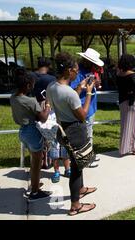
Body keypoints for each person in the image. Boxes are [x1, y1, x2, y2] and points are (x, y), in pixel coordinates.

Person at [47, 52, 97, 216]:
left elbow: (65, 99)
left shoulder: (52, 87)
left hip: (62, 129)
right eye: (75, 70)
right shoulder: (69, 93)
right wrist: (88, 93)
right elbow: (83, 114)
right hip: (75, 131)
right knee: (76, 167)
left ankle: (81, 189)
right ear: (69, 71)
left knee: (79, 162)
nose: (77, 73)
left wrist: (81, 87)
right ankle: (75, 205)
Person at [10, 68, 51, 202]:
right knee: (36, 163)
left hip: (23, 132)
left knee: (34, 160)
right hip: (33, 132)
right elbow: (43, 118)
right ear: (28, 85)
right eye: (32, 84)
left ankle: (35, 183)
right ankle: (35, 192)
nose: (33, 86)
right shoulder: (31, 101)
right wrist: (48, 106)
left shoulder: (13, 97)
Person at [33, 57, 71, 182]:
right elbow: (47, 101)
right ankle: (56, 171)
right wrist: (48, 106)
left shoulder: (63, 86)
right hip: (52, 119)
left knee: (65, 146)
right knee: (54, 147)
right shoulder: (51, 85)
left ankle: (67, 168)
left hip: (63, 121)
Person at [70, 48, 104, 164]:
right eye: (92, 62)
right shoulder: (78, 73)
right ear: (86, 60)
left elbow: (93, 85)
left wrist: (96, 83)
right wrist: (85, 87)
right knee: (85, 135)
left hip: (91, 107)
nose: (94, 65)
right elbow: (74, 90)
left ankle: (89, 155)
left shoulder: (90, 71)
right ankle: (87, 159)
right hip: (83, 107)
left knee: (89, 133)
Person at [116, 54, 135, 156]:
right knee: (134, 126)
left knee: (125, 125)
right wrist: (132, 98)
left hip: (123, 102)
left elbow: (118, 87)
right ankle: (134, 148)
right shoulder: (132, 75)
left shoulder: (119, 75)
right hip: (133, 103)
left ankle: (126, 147)